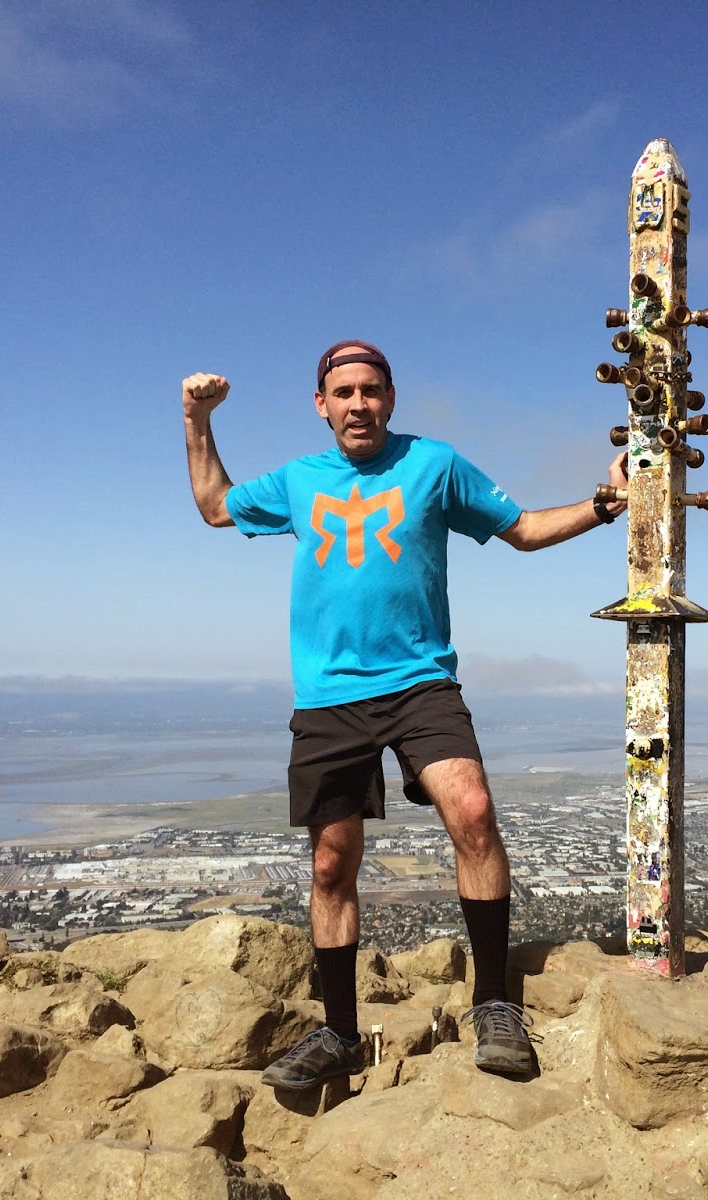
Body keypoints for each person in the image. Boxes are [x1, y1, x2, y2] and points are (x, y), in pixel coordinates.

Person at [181, 340, 626, 1089]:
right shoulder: (298, 481)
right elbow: (215, 507)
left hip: (422, 683)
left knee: (474, 812)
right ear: (321, 405)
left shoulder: (434, 464)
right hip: (329, 695)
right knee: (331, 862)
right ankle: (338, 1033)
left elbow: (520, 529)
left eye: (372, 390)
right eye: (344, 392)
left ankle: (493, 1005)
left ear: (391, 398)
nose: (359, 404)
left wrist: (606, 505)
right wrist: (197, 418)